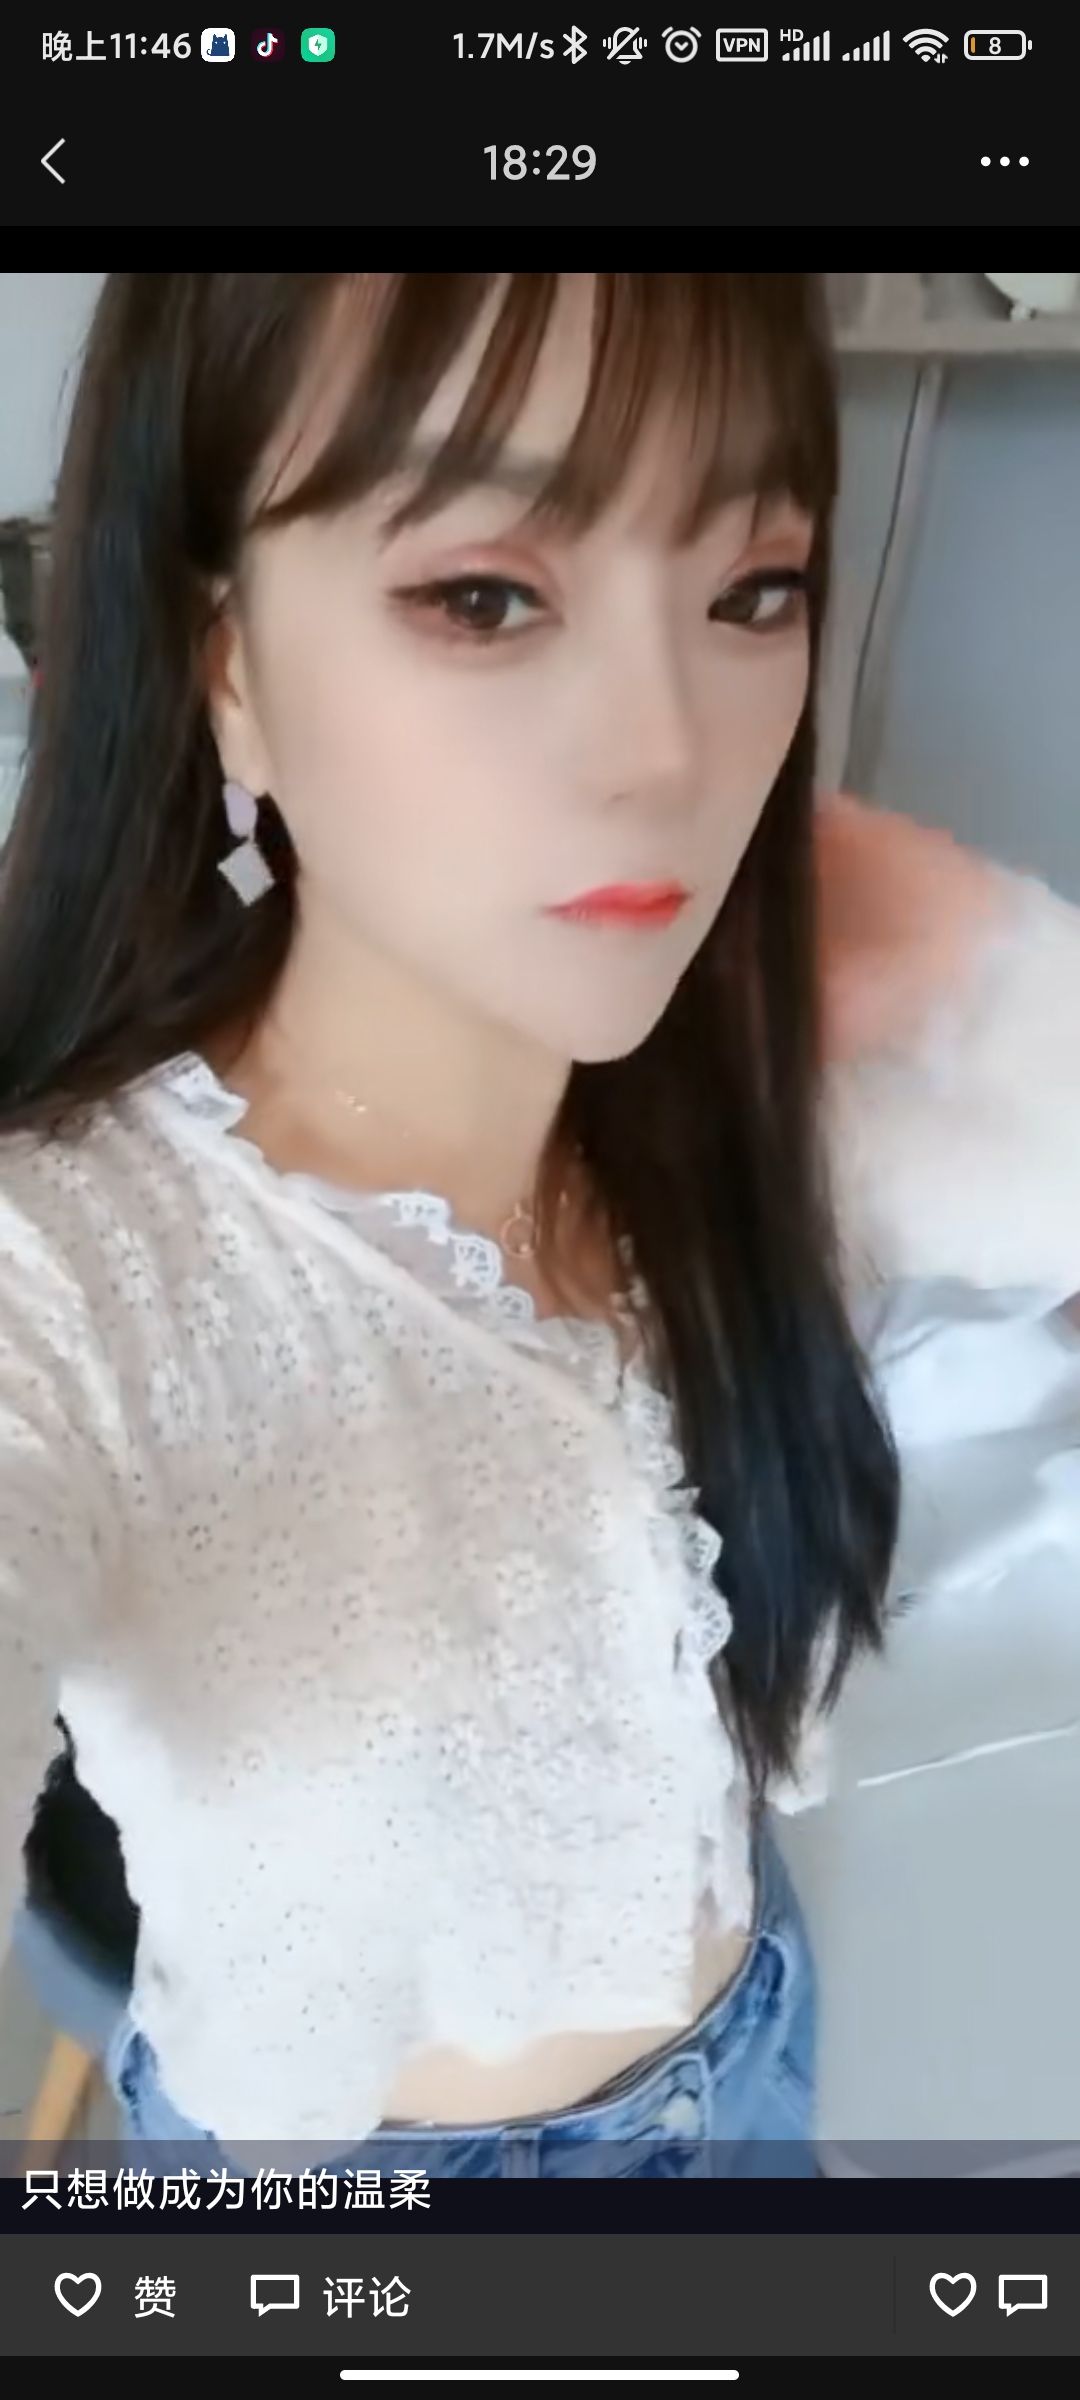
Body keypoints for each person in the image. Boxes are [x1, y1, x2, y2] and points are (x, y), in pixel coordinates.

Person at [0, 273, 1077, 2183]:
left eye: (754, 588)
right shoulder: (70, 1271)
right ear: (221, 658)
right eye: (486, 596)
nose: (672, 750)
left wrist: (1002, 984)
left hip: (754, 2036)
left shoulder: (759, 1095)